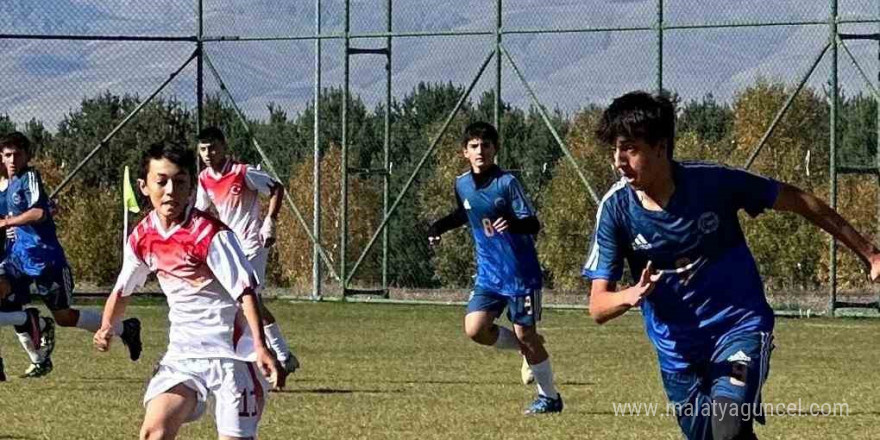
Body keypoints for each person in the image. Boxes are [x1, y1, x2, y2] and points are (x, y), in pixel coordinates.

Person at [583, 91, 880, 439]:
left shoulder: (713, 183)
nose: (619, 161)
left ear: (660, 147)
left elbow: (799, 201)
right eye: (616, 150)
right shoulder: (616, 210)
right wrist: (630, 294)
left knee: (727, 425)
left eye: (630, 149)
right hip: (678, 354)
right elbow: (597, 307)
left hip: (738, 327)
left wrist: (870, 253)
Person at [94, 141, 281, 440]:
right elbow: (123, 289)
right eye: (162, 181)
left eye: (180, 182)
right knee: (153, 432)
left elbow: (246, 291)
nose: (171, 191)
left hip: (233, 356)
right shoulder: (142, 236)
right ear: (144, 186)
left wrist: (260, 345)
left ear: (191, 188)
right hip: (183, 356)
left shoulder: (210, 233)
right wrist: (106, 326)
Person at [427, 122, 562, 414]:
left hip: (520, 274)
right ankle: (529, 348)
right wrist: (438, 226)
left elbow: (533, 223)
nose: (480, 151)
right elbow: (464, 212)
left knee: (526, 335)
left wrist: (512, 223)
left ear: (495, 150)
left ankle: (549, 397)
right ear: (465, 152)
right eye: (474, 146)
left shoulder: (507, 183)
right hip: (489, 275)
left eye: (486, 145)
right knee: (475, 329)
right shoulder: (461, 183)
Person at [0, 132, 141, 378]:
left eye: (17, 154)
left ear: (27, 156)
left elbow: (38, 213)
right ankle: (30, 325)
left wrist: (9, 222)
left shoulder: (29, 177)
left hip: (47, 261)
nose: (12, 159)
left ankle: (124, 328)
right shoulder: (10, 184)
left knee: (64, 317)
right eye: (8, 155)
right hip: (19, 259)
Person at [194, 127, 299, 379]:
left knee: (246, 301)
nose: (208, 153)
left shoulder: (243, 172)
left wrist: (270, 221)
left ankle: (272, 358)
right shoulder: (204, 178)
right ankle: (279, 357)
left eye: (213, 147)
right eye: (203, 149)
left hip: (252, 245)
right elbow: (202, 212)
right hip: (229, 248)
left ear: (224, 146)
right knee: (247, 303)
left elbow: (276, 188)